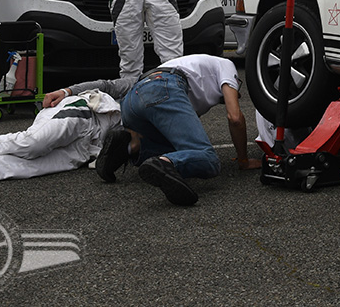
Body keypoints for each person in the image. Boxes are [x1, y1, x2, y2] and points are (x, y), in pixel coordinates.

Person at [81, 53, 262, 206]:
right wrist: (244, 160)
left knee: (175, 149)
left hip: (132, 100)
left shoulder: (193, 68)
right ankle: (166, 163)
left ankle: (130, 147)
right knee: (208, 159)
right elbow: (235, 117)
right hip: (163, 88)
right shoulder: (226, 65)